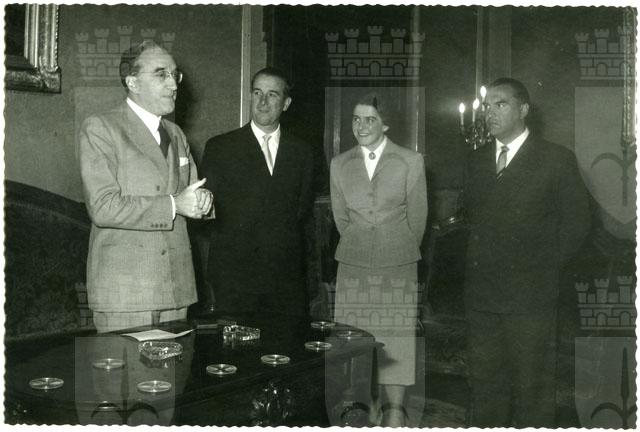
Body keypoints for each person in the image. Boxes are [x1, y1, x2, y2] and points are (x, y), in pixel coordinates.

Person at [464, 78, 591, 427]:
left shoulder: (555, 159)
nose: (490, 113)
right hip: (482, 296)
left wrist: (543, 266)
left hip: (531, 296)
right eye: (487, 106)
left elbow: (578, 223)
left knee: (532, 390)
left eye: (500, 104)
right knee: (486, 387)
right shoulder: (476, 160)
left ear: (523, 109)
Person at [78, 41, 213, 333]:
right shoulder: (101, 128)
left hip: (176, 290)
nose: (173, 84)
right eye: (161, 74)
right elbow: (103, 207)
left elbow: (191, 193)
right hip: (127, 293)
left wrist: (203, 200)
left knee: (177, 364)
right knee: (123, 365)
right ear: (133, 82)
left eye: (175, 75)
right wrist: (175, 205)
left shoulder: (176, 134)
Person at [330, 93, 428, 427]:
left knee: (396, 339)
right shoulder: (340, 164)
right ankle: (362, 405)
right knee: (355, 340)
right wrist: (362, 244)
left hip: (398, 263)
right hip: (353, 263)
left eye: (370, 119)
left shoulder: (410, 161)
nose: (361, 126)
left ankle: (395, 411)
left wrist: (393, 247)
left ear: (385, 124)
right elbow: (341, 218)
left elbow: (418, 219)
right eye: (356, 119)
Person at [200, 67, 315, 319]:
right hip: (235, 281)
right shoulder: (221, 148)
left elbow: (301, 213)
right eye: (257, 93)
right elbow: (207, 216)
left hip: (285, 280)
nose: (263, 102)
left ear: (286, 103)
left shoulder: (303, 153)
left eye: (272, 94)